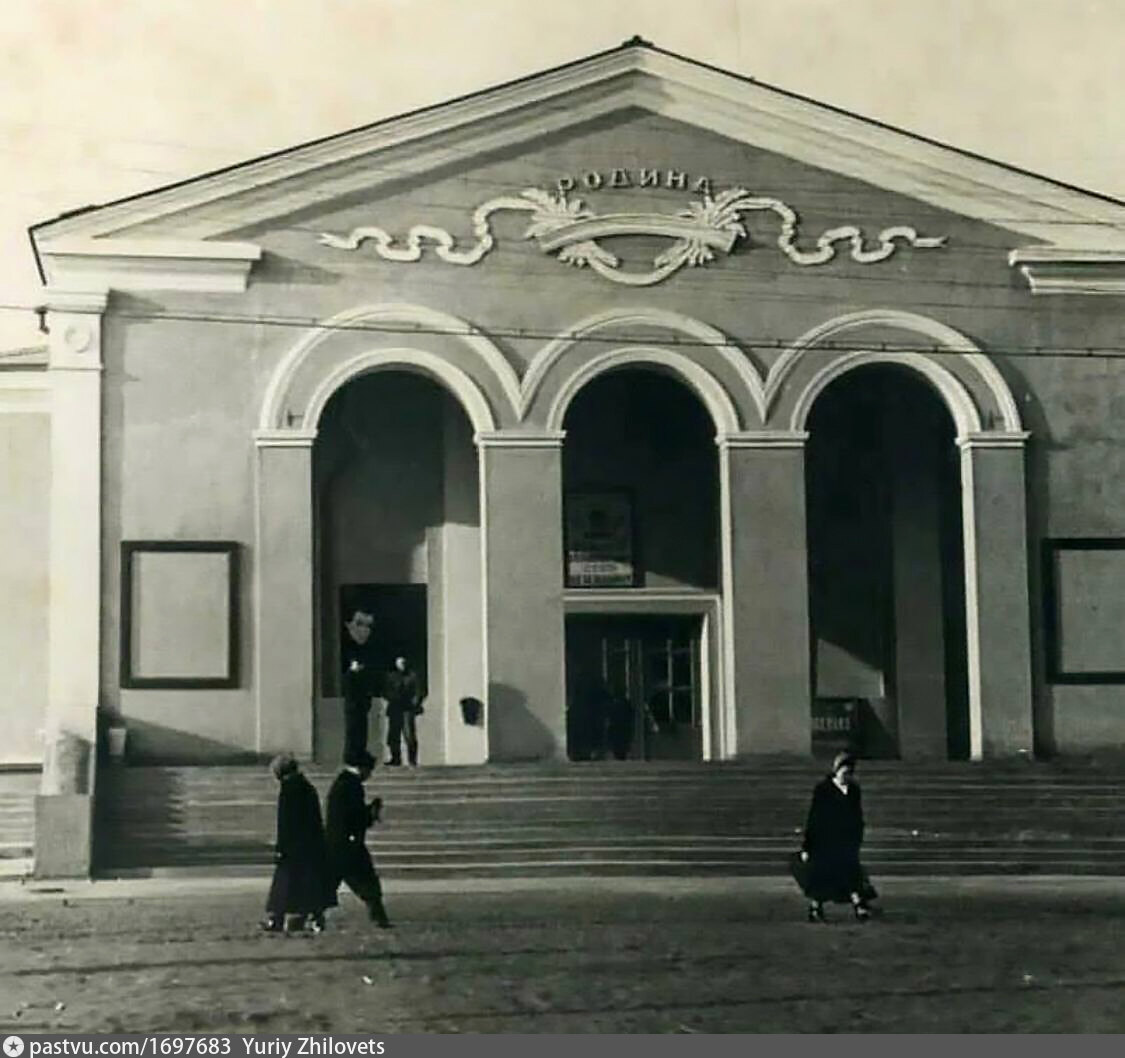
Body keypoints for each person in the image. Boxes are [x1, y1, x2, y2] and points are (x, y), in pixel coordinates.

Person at [261, 753, 336, 935]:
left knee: (283, 887)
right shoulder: (306, 787)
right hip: (310, 845)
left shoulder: (289, 789)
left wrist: (281, 848)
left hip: (294, 847)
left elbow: (285, 823)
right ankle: (311, 918)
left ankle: (278, 919)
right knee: (309, 885)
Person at [798, 751, 876, 923]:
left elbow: (857, 814)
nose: (847, 776)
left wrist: (857, 834)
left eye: (850, 773)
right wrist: (807, 846)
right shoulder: (823, 789)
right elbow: (814, 818)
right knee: (822, 876)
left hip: (846, 841)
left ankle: (859, 906)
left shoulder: (853, 790)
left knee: (851, 874)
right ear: (837, 770)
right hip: (825, 840)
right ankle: (816, 908)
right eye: (844, 772)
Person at [324, 749, 392, 928]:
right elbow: (355, 817)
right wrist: (370, 813)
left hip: (338, 843)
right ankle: (379, 917)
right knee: (366, 881)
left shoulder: (344, 783)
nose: (369, 775)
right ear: (362, 768)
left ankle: (309, 916)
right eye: (369, 771)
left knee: (328, 884)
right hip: (348, 843)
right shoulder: (351, 785)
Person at [341, 608, 380, 764]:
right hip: (353, 699)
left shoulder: (367, 650)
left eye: (368, 626)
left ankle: (359, 752)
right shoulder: (346, 648)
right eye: (360, 625)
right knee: (353, 727)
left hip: (362, 700)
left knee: (361, 727)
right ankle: (352, 754)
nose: (365, 631)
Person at [384, 655, 423, 767]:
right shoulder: (391, 677)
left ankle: (412, 760)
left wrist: (414, 702)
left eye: (403, 663)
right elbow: (386, 691)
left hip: (407, 708)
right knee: (393, 735)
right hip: (395, 708)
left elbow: (418, 691)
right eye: (400, 663)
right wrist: (392, 698)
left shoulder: (412, 676)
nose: (402, 666)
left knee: (409, 734)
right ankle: (395, 758)